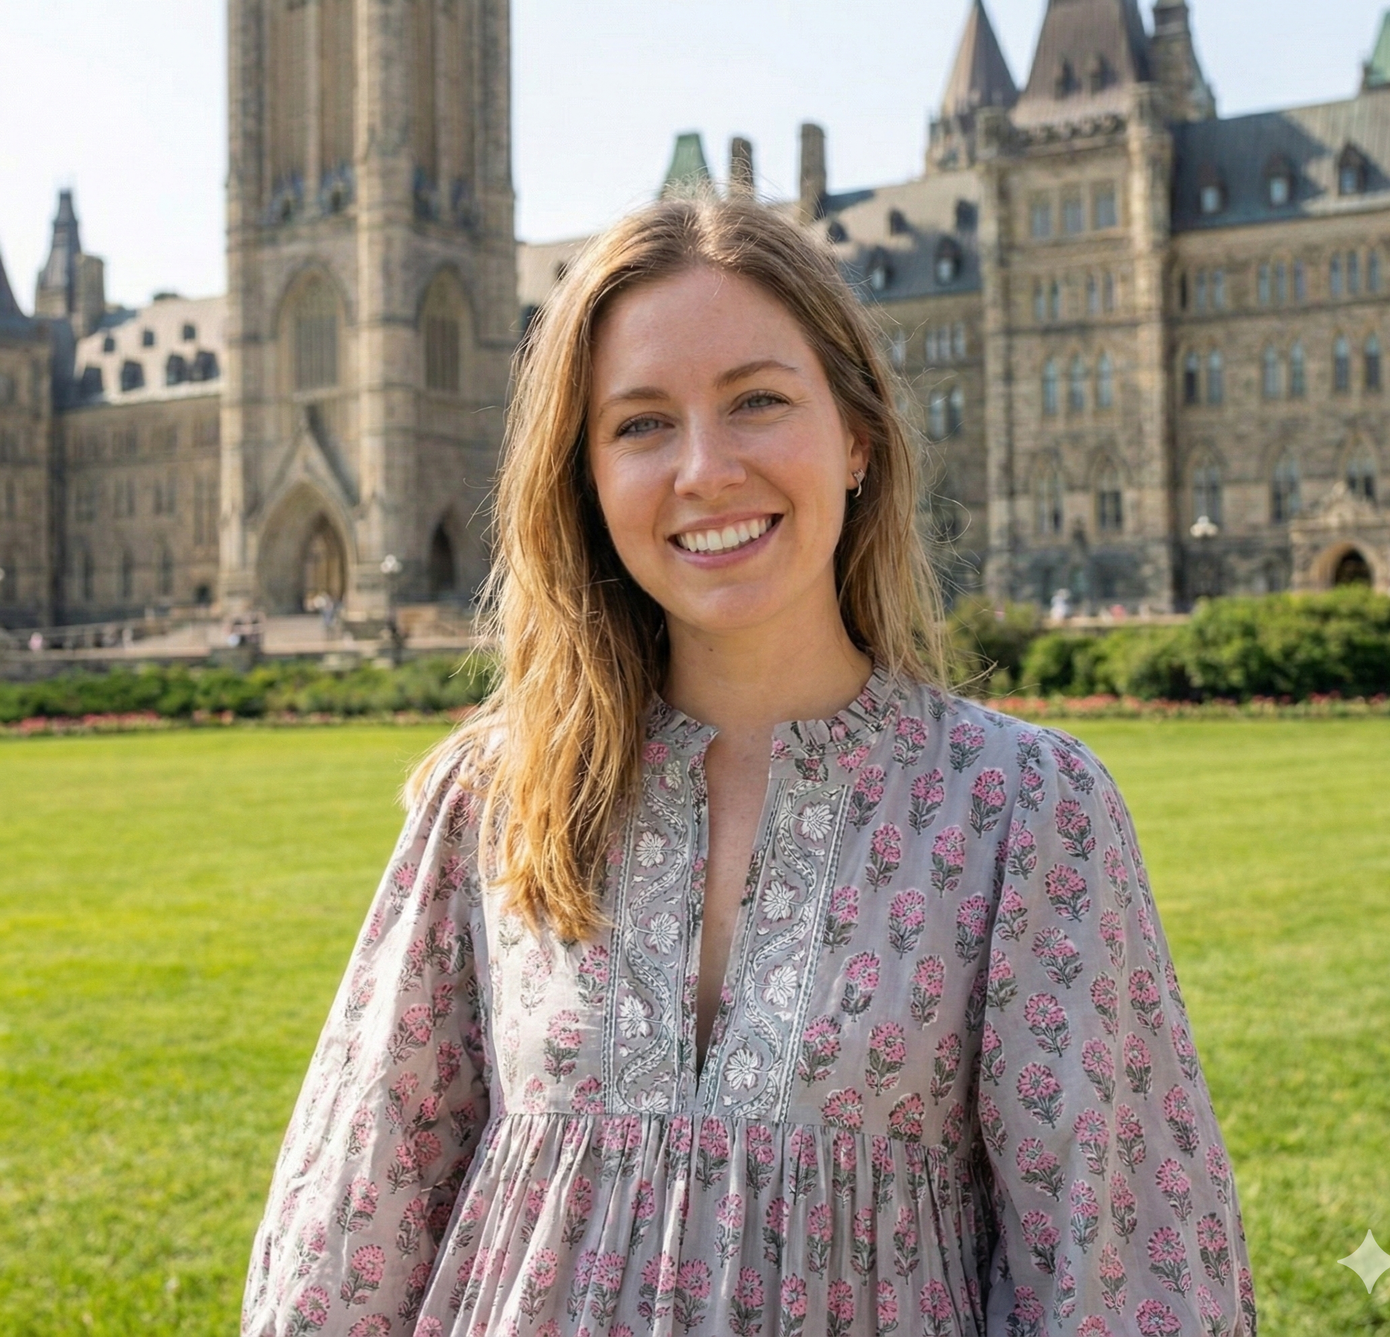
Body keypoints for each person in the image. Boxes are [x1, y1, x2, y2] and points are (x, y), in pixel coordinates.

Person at [243, 195, 1254, 1336]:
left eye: (756, 401)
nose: (704, 468)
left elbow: (1122, 1262)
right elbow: (353, 1224)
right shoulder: (491, 800)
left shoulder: (1023, 810)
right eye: (638, 424)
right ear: (580, 476)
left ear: (857, 435)